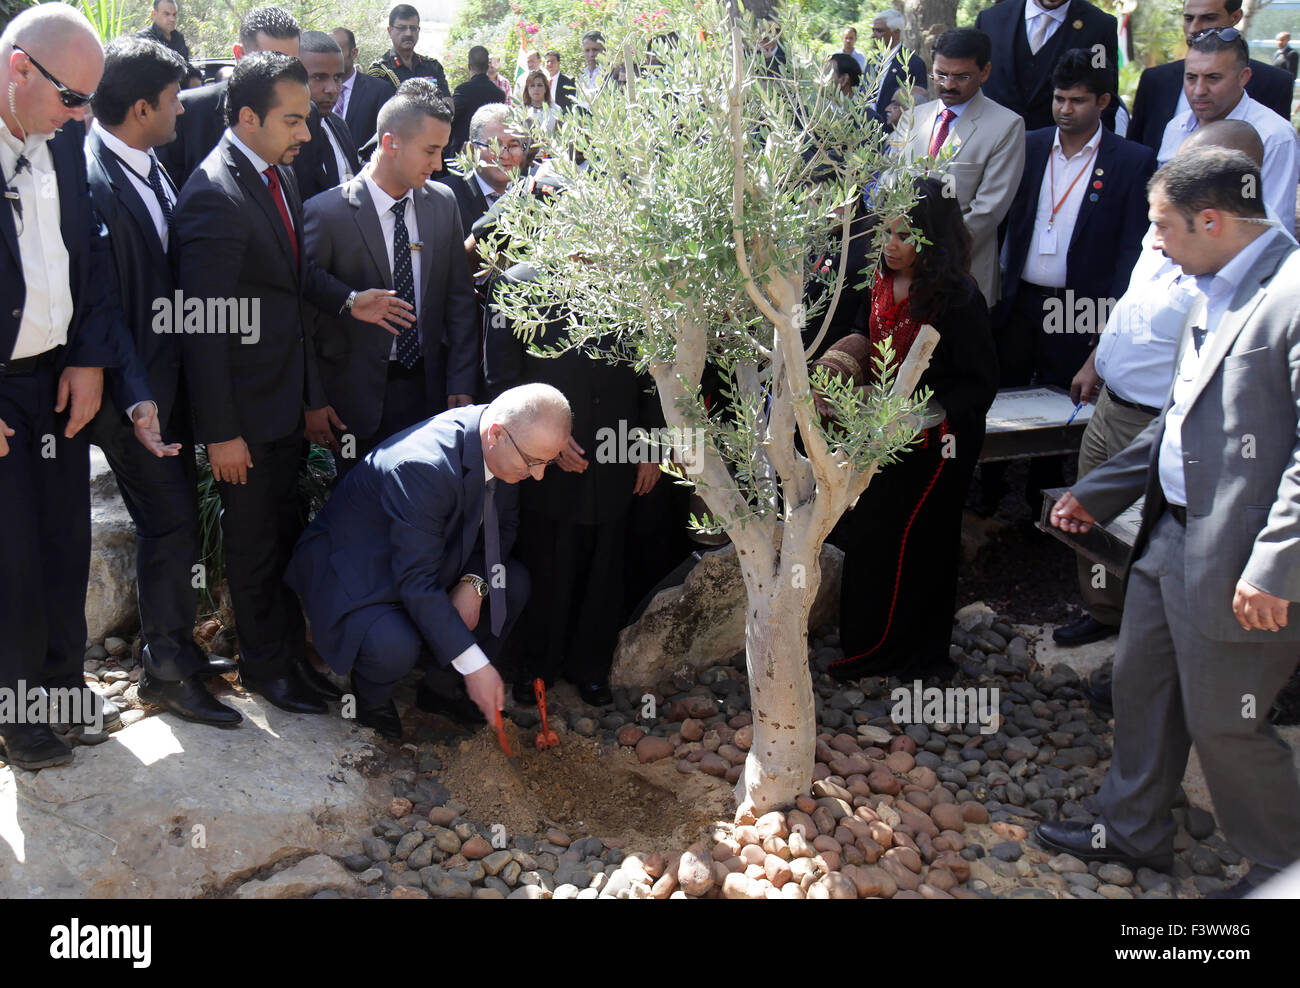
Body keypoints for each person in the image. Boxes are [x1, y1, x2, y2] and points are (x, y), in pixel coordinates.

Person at [1040, 147, 1300, 898]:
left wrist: (1275, 565)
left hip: (1243, 560)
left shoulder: (1289, 294)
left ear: (1212, 220)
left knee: (1228, 722)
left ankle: (1280, 868)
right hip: (1170, 536)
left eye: (1163, 226)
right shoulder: (1210, 282)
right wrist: (1101, 491)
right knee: (1143, 684)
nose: (1154, 242)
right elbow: (1179, 422)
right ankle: (1135, 827)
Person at [172, 52, 414, 716]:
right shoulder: (214, 194)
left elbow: (290, 279)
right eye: (292, 120)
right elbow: (202, 330)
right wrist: (221, 433)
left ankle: (284, 662)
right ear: (247, 117)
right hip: (243, 422)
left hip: (280, 407)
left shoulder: (272, 177)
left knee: (282, 539)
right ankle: (266, 672)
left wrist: (349, 300)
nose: (306, 134)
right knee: (252, 553)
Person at [1055, 119, 1292, 650]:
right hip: (1112, 403)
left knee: (1148, 541)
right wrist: (1096, 359)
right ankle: (1107, 615)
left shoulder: (1257, 271)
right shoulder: (1171, 221)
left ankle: (1152, 647)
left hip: (1160, 422)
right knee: (1091, 524)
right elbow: (1137, 297)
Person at [0, 5, 151, 769]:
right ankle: (19, 710)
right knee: (12, 560)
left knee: (64, 544)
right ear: (18, 67)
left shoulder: (58, 140)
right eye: (72, 98)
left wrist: (90, 358)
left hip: (58, 379)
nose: (84, 115)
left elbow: (89, 250)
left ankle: (61, 688)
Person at [85, 37, 242, 727]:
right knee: (168, 524)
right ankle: (162, 670)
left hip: (167, 387)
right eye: (175, 100)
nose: (184, 111)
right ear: (142, 106)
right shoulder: (94, 179)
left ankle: (176, 648)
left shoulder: (149, 163)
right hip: (132, 398)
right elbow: (104, 307)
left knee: (173, 525)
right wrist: (136, 395)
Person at [284, 384, 572, 738]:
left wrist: (474, 582)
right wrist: (477, 666)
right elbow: (415, 582)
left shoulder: (506, 441)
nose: (539, 475)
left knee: (510, 584)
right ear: (496, 435)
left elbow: (505, 529)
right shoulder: (424, 466)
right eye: (533, 463)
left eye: (548, 462)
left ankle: (440, 689)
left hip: (431, 556)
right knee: (394, 643)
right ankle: (370, 696)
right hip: (364, 569)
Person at [823, 177, 999, 681]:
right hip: (881, 436)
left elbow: (979, 382)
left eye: (905, 235)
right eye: (886, 232)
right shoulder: (878, 279)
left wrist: (925, 415)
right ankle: (867, 645)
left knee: (923, 540)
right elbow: (862, 329)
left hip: (936, 444)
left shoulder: (958, 298)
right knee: (872, 534)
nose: (891, 245)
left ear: (932, 237)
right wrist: (842, 364)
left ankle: (915, 654)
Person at [982, 49, 1155, 516]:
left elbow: (1129, 250)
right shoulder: (1032, 144)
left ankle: (1045, 500)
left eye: (1077, 100)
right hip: (1021, 295)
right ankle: (991, 492)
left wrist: (1109, 320)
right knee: (1007, 389)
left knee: (1067, 398)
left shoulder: (1132, 161)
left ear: (1103, 102)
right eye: (1059, 98)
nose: (1064, 109)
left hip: (1080, 302)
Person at [485, 264, 662, 707]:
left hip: (618, 452)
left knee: (606, 566)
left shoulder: (634, 278)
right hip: (546, 459)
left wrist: (651, 444)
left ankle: (590, 667)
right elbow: (501, 379)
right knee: (547, 563)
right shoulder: (517, 282)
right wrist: (542, 439)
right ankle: (536, 667)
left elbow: (658, 371)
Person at [304, 88, 477, 481]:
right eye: (430, 151)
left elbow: (459, 299)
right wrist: (313, 401)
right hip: (352, 405)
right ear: (390, 143)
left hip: (429, 393)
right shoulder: (326, 213)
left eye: (442, 151)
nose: (438, 164)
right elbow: (305, 317)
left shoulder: (443, 202)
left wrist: (461, 380)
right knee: (354, 507)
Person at [894, 28, 1026, 306]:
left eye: (961, 76)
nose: (948, 85)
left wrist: (931, 255)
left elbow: (988, 211)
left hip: (963, 276)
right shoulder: (913, 119)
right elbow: (890, 181)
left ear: (985, 72)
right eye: (941, 74)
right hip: (902, 276)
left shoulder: (1006, 126)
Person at [1157, 28, 1298, 228]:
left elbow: (1274, 228)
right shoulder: (1176, 127)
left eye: (1213, 78)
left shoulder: (1274, 136)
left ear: (1244, 77)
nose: (1199, 90)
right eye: (1191, 78)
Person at [1127, 0, 1295, 154]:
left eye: (1208, 18)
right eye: (1188, 18)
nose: (1194, 28)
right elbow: (1137, 158)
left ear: (1235, 17)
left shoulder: (1274, 86)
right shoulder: (1155, 82)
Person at [157, 5, 301, 183]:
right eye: (271, 64)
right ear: (239, 54)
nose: (284, 76)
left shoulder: (307, 117)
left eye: (292, 64)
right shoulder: (186, 113)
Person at [974, 0, 1118, 132]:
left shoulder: (1100, 27)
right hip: (992, 143)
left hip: (1061, 149)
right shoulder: (990, 19)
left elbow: (1105, 92)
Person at [438, 103, 526, 246]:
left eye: (514, 145)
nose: (504, 155)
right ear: (472, 150)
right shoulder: (445, 197)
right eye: (493, 146)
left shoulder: (530, 193)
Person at [299, 30, 360, 191]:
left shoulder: (338, 124)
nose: (332, 89)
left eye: (337, 77)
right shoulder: (287, 140)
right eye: (319, 77)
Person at [331, 26, 395, 151]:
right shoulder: (315, 90)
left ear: (354, 53)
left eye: (337, 52)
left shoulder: (379, 91)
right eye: (327, 53)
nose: (330, 59)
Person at [368, 4, 449, 97]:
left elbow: (448, 104)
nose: (408, 33)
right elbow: (376, 109)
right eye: (402, 28)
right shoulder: (380, 70)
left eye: (413, 28)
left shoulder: (433, 67)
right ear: (390, 31)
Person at [866, 10, 928, 129]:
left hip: (895, 133)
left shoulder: (913, 62)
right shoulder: (871, 62)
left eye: (879, 31)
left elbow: (919, 102)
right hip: (867, 133)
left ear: (896, 33)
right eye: (873, 30)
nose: (873, 36)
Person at [450, 45, 505, 155]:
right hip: (489, 151)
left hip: (462, 152)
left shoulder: (463, 90)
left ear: (469, 66)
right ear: (487, 66)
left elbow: (451, 117)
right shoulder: (499, 94)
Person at [138, 0, 190, 64]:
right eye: (167, 14)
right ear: (154, 14)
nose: (172, 19)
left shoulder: (179, 38)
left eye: (174, 14)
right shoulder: (142, 40)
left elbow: (187, 67)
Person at [521, 68, 560, 138]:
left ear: (545, 88)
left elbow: (560, 135)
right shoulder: (521, 111)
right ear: (527, 89)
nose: (536, 89)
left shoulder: (556, 110)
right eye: (532, 86)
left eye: (539, 85)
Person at [578, 31, 606, 101]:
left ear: (604, 50)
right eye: (587, 50)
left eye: (595, 50)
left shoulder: (610, 75)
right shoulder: (582, 77)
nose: (591, 54)